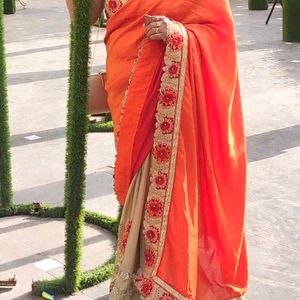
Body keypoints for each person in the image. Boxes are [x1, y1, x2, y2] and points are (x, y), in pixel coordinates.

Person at [66, 0, 248, 299]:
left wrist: (178, 35)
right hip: (128, 88)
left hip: (174, 96)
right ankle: (142, 280)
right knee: (142, 189)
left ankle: (172, 282)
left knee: (173, 190)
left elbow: (218, 30)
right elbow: (86, 17)